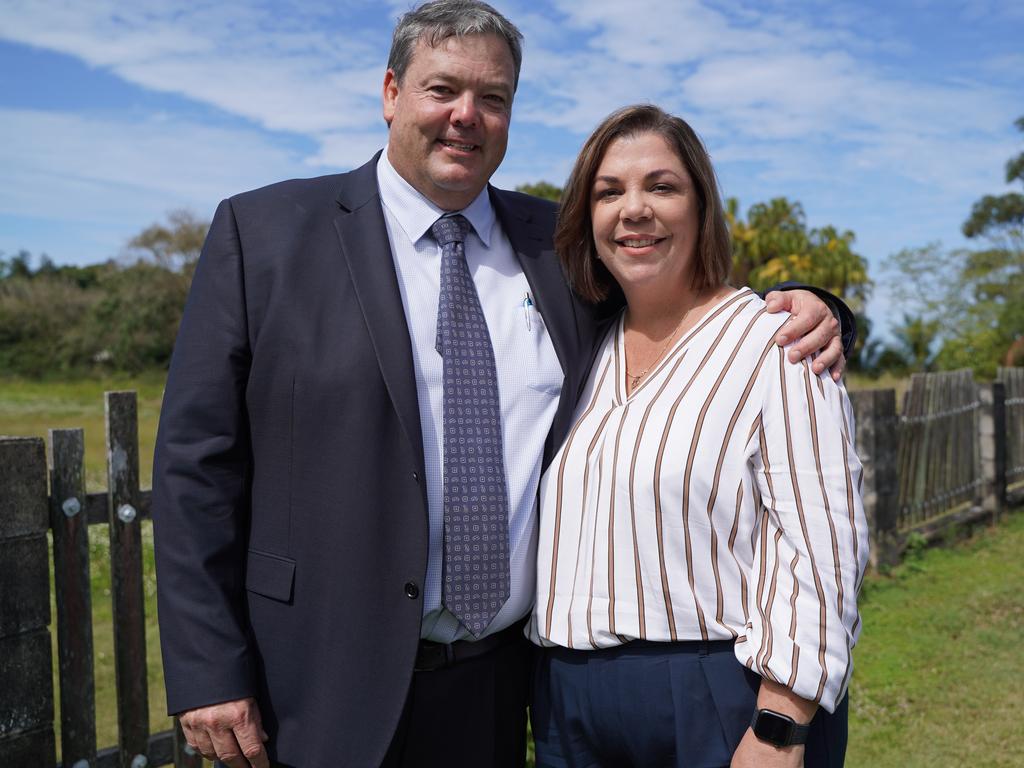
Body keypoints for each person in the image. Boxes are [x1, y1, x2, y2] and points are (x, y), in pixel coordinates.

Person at [151, 3, 853, 767]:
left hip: (501, 687)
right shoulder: (266, 235)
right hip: (315, 680)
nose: (466, 117)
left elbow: (683, 299)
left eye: (493, 98)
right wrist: (207, 669)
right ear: (391, 92)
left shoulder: (560, 247)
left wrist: (820, 308)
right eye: (441, 90)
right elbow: (196, 467)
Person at [528, 104, 869, 768]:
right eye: (609, 192)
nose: (634, 209)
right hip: (569, 704)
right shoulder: (581, 351)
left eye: (662, 186)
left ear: (702, 206)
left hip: (718, 699)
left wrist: (780, 724)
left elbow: (823, 543)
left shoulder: (778, 341)